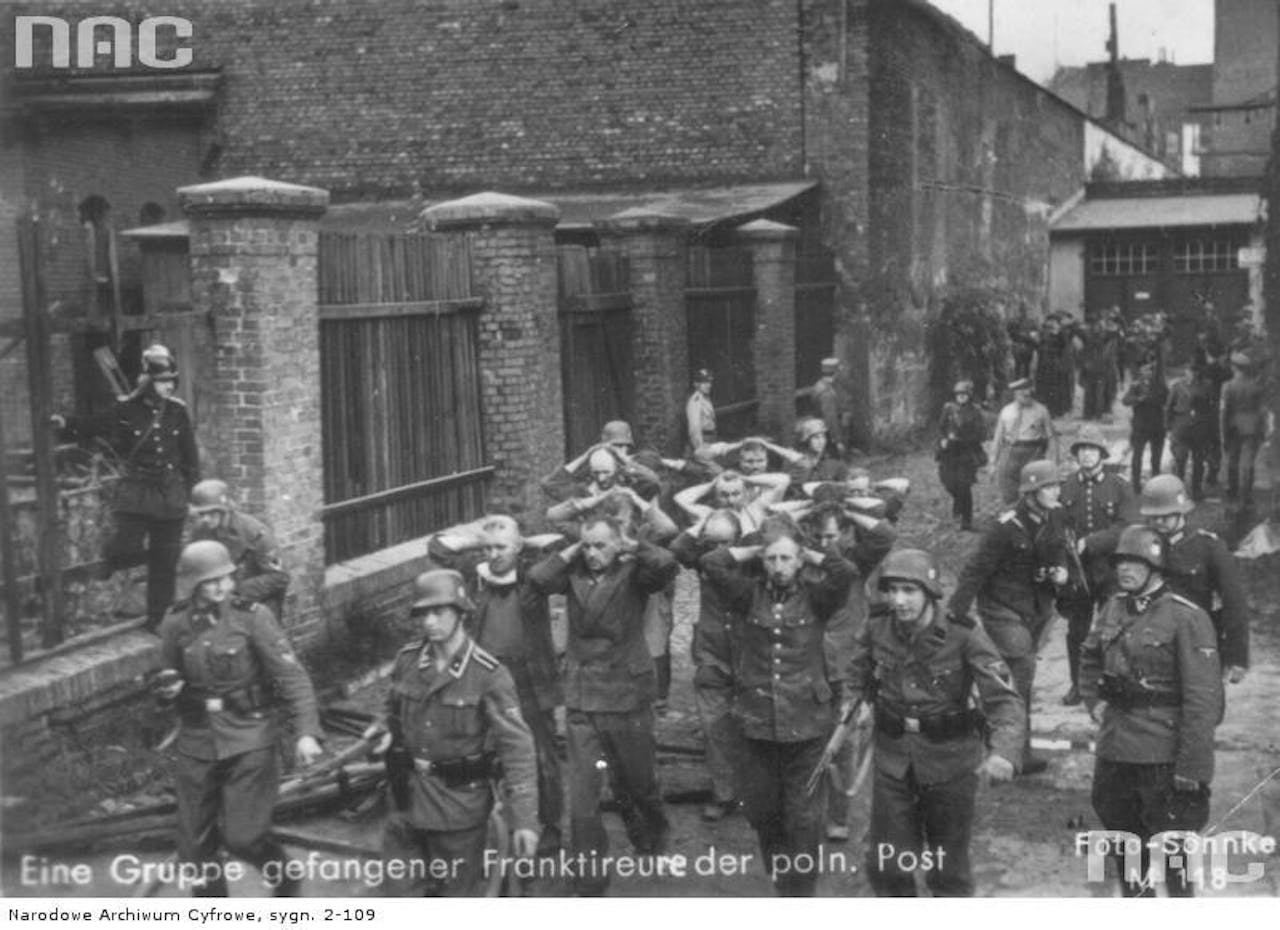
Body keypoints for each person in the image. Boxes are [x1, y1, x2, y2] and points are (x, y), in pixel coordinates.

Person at [848, 548, 1024, 896]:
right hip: (894, 762)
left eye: (909, 591)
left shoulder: (964, 634)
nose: (899, 600)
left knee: (948, 871)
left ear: (930, 593)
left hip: (950, 765)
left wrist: (1004, 751)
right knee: (887, 866)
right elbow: (856, 673)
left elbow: (1005, 699)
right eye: (892, 590)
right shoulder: (878, 626)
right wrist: (855, 705)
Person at [153, 540, 323, 897]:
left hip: (250, 736)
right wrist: (166, 689)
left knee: (243, 837)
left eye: (227, 578)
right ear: (193, 583)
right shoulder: (174, 622)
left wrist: (307, 732)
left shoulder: (252, 616)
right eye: (212, 581)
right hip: (198, 740)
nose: (223, 587)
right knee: (195, 851)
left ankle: (284, 876)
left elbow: (292, 676)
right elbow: (166, 675)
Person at [699, 526, 855, 896]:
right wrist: (754, 549)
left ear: (800, 563)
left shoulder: (818, 598)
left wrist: (808, 550)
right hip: (756, 723)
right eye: (772, 559)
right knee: (764, 814)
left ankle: (798, 895)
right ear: (762, 563)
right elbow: (710, 562)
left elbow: (845, 572)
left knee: (802, 819)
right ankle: (781, 880)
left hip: (807, 724)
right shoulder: (746, 596)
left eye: (787, 558)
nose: (779, 565)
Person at [528, 516, 679, 895]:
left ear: (618, 545)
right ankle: (589, 880)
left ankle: (654, 835)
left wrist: (634, 545)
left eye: (601, 545)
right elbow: (538, 580)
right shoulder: (573, 572)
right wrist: (570, 551)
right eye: (587, 546)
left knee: (638, 783)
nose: (593, 553)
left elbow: (666, 566)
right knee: (583, 797)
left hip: (627, 694)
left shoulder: (634, 573)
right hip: (583, 698)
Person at [371, 569, 539, 896]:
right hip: (406, 803)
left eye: (438, 612)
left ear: (461, 612)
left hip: (457, 811)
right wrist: (382, 730)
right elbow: (389, 709)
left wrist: (526, 821)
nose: (429, 622)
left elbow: (518, 751)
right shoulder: (408, 661)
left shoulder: (488, 674)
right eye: (422, 613)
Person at [1080, 525, 1222, 897]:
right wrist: (1093, 701)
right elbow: (1090, 656)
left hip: (1162, 755)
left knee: (1175, 867)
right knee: (1128, 858)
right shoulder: (1112, 606)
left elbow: (1202, 699)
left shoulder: (1186, 617)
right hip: (1115, 751)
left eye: (1134, 562)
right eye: (1120, 562)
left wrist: (1193, 767)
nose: (1123, 569)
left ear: (1156, 567)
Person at [426, 515, 566, 855]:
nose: (493, 554)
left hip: (528, 679)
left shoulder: (533, 578)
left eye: (501, 547)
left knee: (539, 755)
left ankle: (548, 825)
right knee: (482, 749)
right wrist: (480, 541)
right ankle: (485, 820)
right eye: (488, 548)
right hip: (484, 679)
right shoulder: (476, 578)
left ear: (518, 548)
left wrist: (522, 543)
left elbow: (560, 546)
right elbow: (438, 548)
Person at [53, 344, 200, 630]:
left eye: (171, 380)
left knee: (165, 562)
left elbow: (189, 456)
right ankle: (108, 565)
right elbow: (94, 424)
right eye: (161, 381)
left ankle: (159, 621)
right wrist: (65, 422)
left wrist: (192, 494)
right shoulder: (126, 410)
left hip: (170, 494)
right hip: (137, 492)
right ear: (147, 382)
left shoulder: (177, 411)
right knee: (124, 546)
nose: (168, 386)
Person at [948, 460, 1071, 775]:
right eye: (1048, 486)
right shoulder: (1004, 526)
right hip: (1001, 607)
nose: (1055, 491)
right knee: (1022, 671)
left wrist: (1060, 571)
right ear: (1030, 492)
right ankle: (1009, 753)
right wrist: (954, 614)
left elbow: (1059, 548)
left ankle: (1017, 749)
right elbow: (975, 569)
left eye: (1056, 485)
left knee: (1018, 678)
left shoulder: (1056, 514)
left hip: (1038, 608)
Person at [669, 509, 745, 822]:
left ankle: (753, 793)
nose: (718, 550)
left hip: (748, 652)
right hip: (712, 651)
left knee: (751, 725)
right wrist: (703, 524)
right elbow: (678, 548)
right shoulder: (702, 559)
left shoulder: (751, 561)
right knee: (715, 727)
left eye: (725, 542)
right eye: (712, 543)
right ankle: (724, 793)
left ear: (738, 540)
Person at [1056, 427, 1134, 705]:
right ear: (1076, 454)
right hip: (1078, 574)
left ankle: (1112, 683)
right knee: (1076, 631)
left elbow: (1126, 527)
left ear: (1101, 453)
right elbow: (1057, 525)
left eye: (1092, 449)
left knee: (1112, 629)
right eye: (1081, 449)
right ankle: (1079, 685)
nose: (1086, 454)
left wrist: (1091, 542)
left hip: (1110, 571)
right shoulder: (1066, 487)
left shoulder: (1119, 486)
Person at [188, 479, 289, 620]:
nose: (205, 519)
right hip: (216, 606)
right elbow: (191, 570)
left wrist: (235, 589)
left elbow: (279, 577)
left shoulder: (255, 533)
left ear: (224, 511)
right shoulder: (200, 532)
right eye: (202, 514)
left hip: (255, 605)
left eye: (211, 513)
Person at [990, 378, 1057, 506]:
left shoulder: (1041, 410)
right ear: (1015, 394)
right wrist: (993, 462)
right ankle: (1013, 516)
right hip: (1011, 452)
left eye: (1028, 393)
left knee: (1034, 488)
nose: (1026, 396)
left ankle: (1034, 518)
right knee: (1008, 488)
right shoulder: (1006, 411)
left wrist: (1053, 461)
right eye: (1022, 394)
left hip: (1033, 452)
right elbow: (998, 438)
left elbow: (1052, 437)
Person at [936, 380, 988, 531]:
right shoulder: (948, 408)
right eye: (958, 394)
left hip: (966, 453)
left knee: (964, 486)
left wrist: (963, 439)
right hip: (949, 453)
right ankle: (958, 503)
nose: (961, 397)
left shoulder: (975, 411)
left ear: (969, 395)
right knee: (948, 482)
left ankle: (967, 521)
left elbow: (982, 434)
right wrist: (943, 440)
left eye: (964, 394)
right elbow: (940, 428)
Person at [1221, 352, 1267, 505]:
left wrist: (1223, 433)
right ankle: (1246, 494)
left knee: (1232, 460)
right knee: (1248, 463)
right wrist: (1263, 430)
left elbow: (1224, 412)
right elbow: (1262, 411)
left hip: (1233, 427)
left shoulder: (1228, 386)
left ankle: (1232, 491)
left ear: (1234, 367)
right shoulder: (1256, 386)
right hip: (1252, 427)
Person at [1165, 365, 1215, 500]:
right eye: (1189, 370)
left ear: (1198, 372)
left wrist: (1210, 430)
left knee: (1199, 461)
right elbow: (1169, 408)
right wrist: (1169, 429)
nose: (1192, 374)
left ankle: (1197, 489)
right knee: (1180, 460)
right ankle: (1179, 491)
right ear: (1185, 371)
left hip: (1200, 429)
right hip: (1181, 428)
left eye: (1195, 371)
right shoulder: (1177, 387)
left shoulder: (1207, 386)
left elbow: (1211, 410)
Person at [1123, 361, 1168, 490]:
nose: (1147, 373)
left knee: (1156, 457)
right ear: (1141, 373)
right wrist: (1138, 399)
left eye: (1150, 371)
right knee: (1137, 455)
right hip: (1140, 426)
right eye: (1145, 371)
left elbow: (1167, 399)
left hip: (1157, 426)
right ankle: (1136, 483)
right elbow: (1125, 400)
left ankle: (1155, 482)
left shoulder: (1160, 386)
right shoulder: (1136, 386)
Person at [789, 417, 847, 485]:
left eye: (823, 437)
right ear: (806, 441)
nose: (821, 441)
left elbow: (845, 484)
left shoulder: (835, 462)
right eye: (816, 437)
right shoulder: (796, 462)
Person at [810, 357, 846, 456]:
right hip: (827, 435)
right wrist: (837, 441)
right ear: (835, 373)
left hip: (821, 430)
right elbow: (830, 419)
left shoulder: (818, 385)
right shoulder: (827, 393)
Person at [686, 367, 717, 453]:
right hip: (703, 439)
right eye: (704, 382)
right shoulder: (696, 401)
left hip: (710, 438)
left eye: (709, 382)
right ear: (696, 384)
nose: (708, 385)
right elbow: (694, 428)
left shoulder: (705, 399)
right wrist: (699, 448)